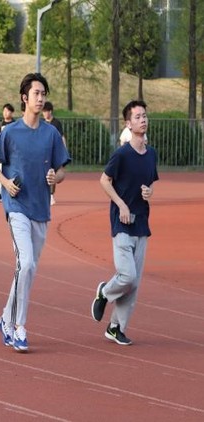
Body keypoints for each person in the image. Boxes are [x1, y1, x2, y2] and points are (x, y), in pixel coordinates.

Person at [0, 73, 71, 352]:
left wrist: (55, 177)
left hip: (40, 209)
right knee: (26, 263)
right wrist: (5, 182)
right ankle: (19, 327)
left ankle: (5, 318)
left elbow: (62, 170)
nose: (41, 98)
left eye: (43, 93)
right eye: (36, 93)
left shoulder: (51, 134)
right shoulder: (10, 132)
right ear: (25, 97)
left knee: (27, 269)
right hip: (17, 207)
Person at [91, 99, 158, 346]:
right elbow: (104, 180)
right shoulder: (122, 154)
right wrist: (121, 204)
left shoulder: (151, 154)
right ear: (128, 124)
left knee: (134, 283)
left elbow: (150, 183)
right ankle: (104, 292)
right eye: (137, 117)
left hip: (142, 223)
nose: (143, 120)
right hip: (122, 222)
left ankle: (115, 327)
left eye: (144, 116)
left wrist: (149, 192)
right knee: (127, 276)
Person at [42, 101, 66, 205]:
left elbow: (61, 137)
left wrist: (64, 149)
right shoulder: (42, 123)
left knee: (52, 172)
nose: (44, 114)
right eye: (43, 112)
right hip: (44, 151)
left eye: (46, 111)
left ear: (50, 111)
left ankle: (51, 195)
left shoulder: (56, 123)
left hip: (54, 151)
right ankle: (44, 194)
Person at [0, 103, 15, 202]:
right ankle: (0, 193)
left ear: (12, 112)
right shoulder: (0, 124)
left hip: (11, 152)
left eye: (8, 111)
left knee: (12, 172)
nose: (5, 113)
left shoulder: (15, 125)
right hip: (1, 152)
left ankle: (12, 191)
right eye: (4, 111)